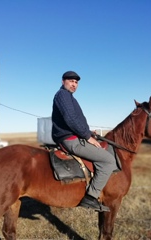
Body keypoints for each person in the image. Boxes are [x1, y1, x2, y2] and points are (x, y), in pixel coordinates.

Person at [51, 71, 117, 212]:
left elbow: (75, 120)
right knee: (109, 161)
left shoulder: (69, 97)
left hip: (74, 136)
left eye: (76, 82)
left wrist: (88, 132)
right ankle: (91, 197)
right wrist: (88, 137)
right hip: (70, 139)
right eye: (71, 81)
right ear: (63, 81)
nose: (74, 84)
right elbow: (70, 119)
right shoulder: (63, 95)